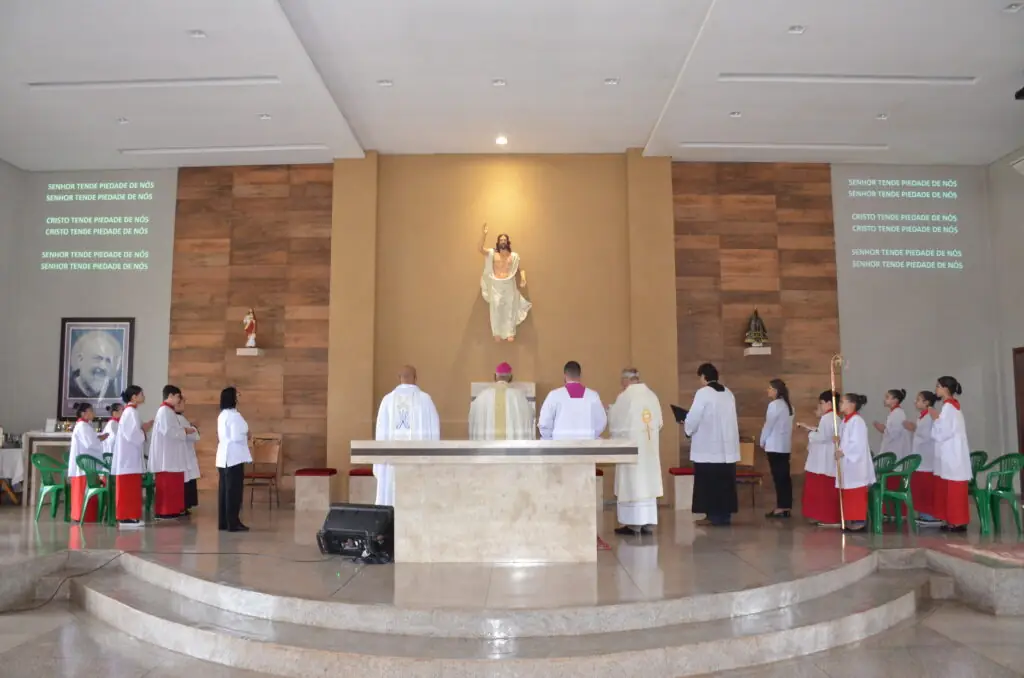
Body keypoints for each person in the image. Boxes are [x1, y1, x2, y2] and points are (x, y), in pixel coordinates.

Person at [374, 366, 441, 506]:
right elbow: (434, 433)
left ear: (399, 378)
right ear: (415, 378)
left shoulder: (387, 401)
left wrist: (380, 466)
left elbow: (380, 434)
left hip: (391, 466)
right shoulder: (425, 400)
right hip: (418, 464)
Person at [608, 368, 663, 535]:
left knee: (633, 483)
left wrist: (610, 411)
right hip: (649, 449)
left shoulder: (625, 397)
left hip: (631, 449)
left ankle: (633, 524)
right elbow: (659, 423)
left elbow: (615, 423)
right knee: (646, 483)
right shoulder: (652, 396)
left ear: (625, 380)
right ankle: (647, 522)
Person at [684, 363, 740, 527]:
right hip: (726, 449)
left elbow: (694, 416)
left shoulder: (703, 393)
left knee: (709, 483)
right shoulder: (728, 393)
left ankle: (712, 515)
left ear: (703, 377)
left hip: (708, 447)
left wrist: (687, 428)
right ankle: (724, 515)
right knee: (724, 484)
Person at [930, 376, 971, 532]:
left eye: (938, 386)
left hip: (953, 454)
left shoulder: (949, 408)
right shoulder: (952, 406)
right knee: (950, 487)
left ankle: (957, 521)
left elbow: (944, 432)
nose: (936, 389)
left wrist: (935, 419)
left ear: (945, 389)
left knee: (954, 488)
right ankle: (952, 519)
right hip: (953, 453)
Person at [478, 224, 532, 342]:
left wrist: (523, 278)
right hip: (496, 285)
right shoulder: (492, 254)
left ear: (508, 242)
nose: (503, 241)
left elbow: (520, 270)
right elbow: (480, 249)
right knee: (496, 307)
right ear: (498, 242)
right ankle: (496, 332)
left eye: (504, 240)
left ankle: (510, 332)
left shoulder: (513, 256)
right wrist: (484, 234)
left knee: (510, 308)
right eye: (501, 240)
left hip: (509, 284)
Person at [149, 385, 195, 520]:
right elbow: (168, 432)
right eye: (178, 397)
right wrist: (185, 431)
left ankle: (172, 510)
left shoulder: (169, 411)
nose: (179, 400)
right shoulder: (164, 411)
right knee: (168, 483)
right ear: (170, 396)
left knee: (174, 483)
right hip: (166, 456)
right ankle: (165, 511)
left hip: (171, 455)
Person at [798, 390, 840, 527]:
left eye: (821, 403)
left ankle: (827, 517)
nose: (820, 406)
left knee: (824, 488)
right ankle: (820, 515)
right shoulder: (831, 418)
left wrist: (810, 432)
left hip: (824, 457)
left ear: (829, 403)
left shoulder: (828, 418)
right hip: (824, 456)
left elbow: (823, 437)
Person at [835, 393, 876, 532]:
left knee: (856, 492)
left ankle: (859, 521)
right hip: (847, 463)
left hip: (855, 463)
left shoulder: (857, 421)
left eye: (842, 402)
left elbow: (857, 443)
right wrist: (838, 440)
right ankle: (850, 519)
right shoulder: (845, 421)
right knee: (848, 492)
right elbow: (846, 439)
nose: (839, 404)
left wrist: (844, 451)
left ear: (851, 404)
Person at [538, 361, 607, 441]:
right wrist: (590, 435)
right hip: (587, 447)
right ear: (580, 375)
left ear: (565, 376)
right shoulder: (593, 396)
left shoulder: (554, 395)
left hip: (560, 446)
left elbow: (544, 423)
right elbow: (601, 422)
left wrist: (550, 438)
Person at [111, 385, 149, 528]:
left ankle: (130, 516)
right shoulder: (131, 412)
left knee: (131, 488)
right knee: (128, 488)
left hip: (130, 458)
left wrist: (142, 429)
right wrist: (143, 431)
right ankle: (126, 518)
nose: (143, 397)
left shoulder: (131, 412)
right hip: (128, 459)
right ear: (134, 397)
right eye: (141, 394)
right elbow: (132, 434)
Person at [468, 362, 534, 440]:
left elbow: (472, 418)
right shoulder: (518, 397)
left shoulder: (482, 396)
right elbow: (530, 416)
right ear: (510, 377)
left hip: (487, 448)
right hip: (512, 449)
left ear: (495, 376)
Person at [216, 387, 250, 532]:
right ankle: (233, 523)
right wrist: (247, 434)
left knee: (224, 491)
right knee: (234, 492)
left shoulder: (222, 415)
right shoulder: (234, 416)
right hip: (234, 457)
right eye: (237, 395)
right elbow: (236, 436)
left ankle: (224, 522)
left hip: (224, 456)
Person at [68, 403, 108, 522]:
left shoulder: (84, 425)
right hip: (84, 467)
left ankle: (83, 515)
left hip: (84, 466)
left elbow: (91, 441)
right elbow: (91, 444)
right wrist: (101, 438)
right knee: (85, 491)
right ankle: (84, 516)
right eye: (91, 411)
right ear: (83, 413)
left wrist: (99, 438)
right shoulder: (82, 426)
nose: (93, 413)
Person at [904, 391, 939, 526]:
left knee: (927, 488)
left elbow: (929, 435)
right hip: (921, 458)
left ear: (927, 403)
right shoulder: (922, 417)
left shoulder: (931, 416)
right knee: (920, 488)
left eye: (918, 400)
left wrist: (915, 429)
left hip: (927, 458)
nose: (915, 402)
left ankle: (930, 516)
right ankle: (923, 514)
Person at [761, 378, 794, 518]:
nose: (767, 391)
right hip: (785, 446)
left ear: (775, 390)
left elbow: (769, 425)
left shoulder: (774, 405)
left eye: (769, 388)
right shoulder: (789, 406)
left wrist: (762, 440)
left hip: (774, 446)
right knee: (784, 477)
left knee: (778, 477)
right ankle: (786, 505)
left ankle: (781, 506)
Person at [67, 330, 123, 399]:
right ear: (80, 359)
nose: (103, 366)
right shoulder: (66, 389)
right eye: (97, 358)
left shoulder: (113, 394)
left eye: (108, 361)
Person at [176, 396, 201, 512]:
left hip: (185, 454)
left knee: (188, 479)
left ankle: (184, 506)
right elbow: (193, 435)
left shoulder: (179, 418)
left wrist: (191, 427)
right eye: (182, 403)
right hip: (184, 455)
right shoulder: (178, 418)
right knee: (186, 481)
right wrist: (194, 427)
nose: (184, 405)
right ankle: (183, 507)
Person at [873, 388, 912, 459]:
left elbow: (894, 434)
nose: (885, 399)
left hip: (895, 450)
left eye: (887, 397)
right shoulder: (894, 413)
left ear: (895, 400)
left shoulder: (898, 413)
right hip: (892, 449)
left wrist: (883, 429)